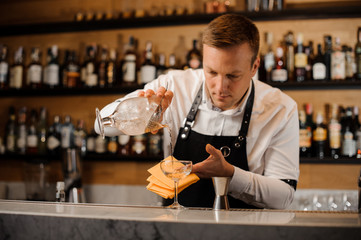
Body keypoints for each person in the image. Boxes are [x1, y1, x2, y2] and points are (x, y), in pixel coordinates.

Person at [95, 13, 299, 209]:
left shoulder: (281, 108)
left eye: (233, 76)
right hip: (175, 227)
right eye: (211, 72)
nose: (220, 87)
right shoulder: (172, 85)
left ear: (254, 67)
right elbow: (100, 125)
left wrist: (230, 174)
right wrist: (140, 112)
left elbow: (283, 197)